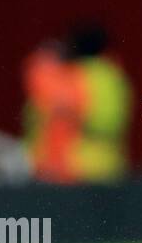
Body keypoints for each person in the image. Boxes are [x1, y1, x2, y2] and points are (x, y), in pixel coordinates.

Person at [22, 22, 132, 184]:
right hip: (107, 168)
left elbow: (57, 108)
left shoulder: (74, 75)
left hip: (73, 168)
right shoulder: (114, 76)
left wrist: (43, 61)